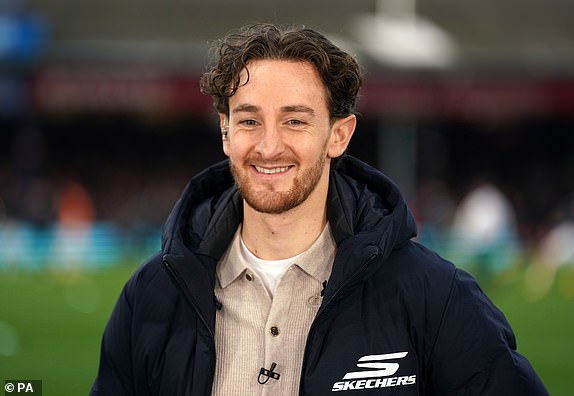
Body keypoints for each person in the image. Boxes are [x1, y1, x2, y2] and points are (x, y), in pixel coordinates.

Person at [91, 23, 547, 395]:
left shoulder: (434, 295)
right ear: (226, 133)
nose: (269, 147)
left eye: (294, 120)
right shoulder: (150, 296)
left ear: (338, 135)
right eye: (249, 121)